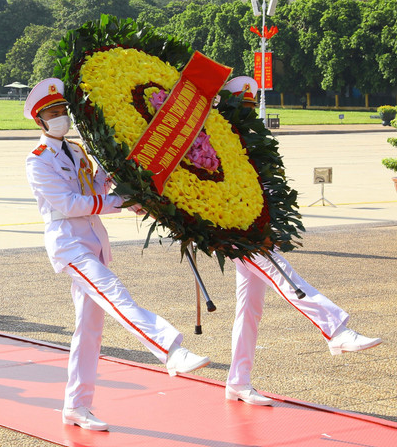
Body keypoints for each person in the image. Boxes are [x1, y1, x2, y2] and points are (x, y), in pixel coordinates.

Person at [23, 78, 209, 432]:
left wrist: (118, 180)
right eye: (52, 112)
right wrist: (114, 204)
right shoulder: (37, 161)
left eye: (63, 109)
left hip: (93, 239)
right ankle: (169, 350)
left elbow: (93, 189)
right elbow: (69, 204)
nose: (61, 116)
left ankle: (76, 406)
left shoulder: (77, 152)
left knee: (89, 330)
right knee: (115, 293)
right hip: (69, 243)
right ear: (39, 121)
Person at [219, 76, 382, 406]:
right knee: (285, 277)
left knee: (249, 310)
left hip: (259, 228)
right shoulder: (221, 141)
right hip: (241, 234)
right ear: (230, 107)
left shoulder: (249, 139)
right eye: (243, 107)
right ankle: (335, 330)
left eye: (251, 107)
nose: (249, 113)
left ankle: (238, 381)